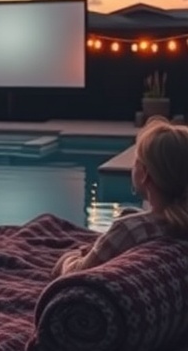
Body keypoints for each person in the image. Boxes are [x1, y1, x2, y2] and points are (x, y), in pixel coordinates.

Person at [52, 117, 188, 277]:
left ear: (145, 174)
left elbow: (75, 273)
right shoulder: (177, 226)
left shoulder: (130, 230)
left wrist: (68, 258)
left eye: (136, 162)